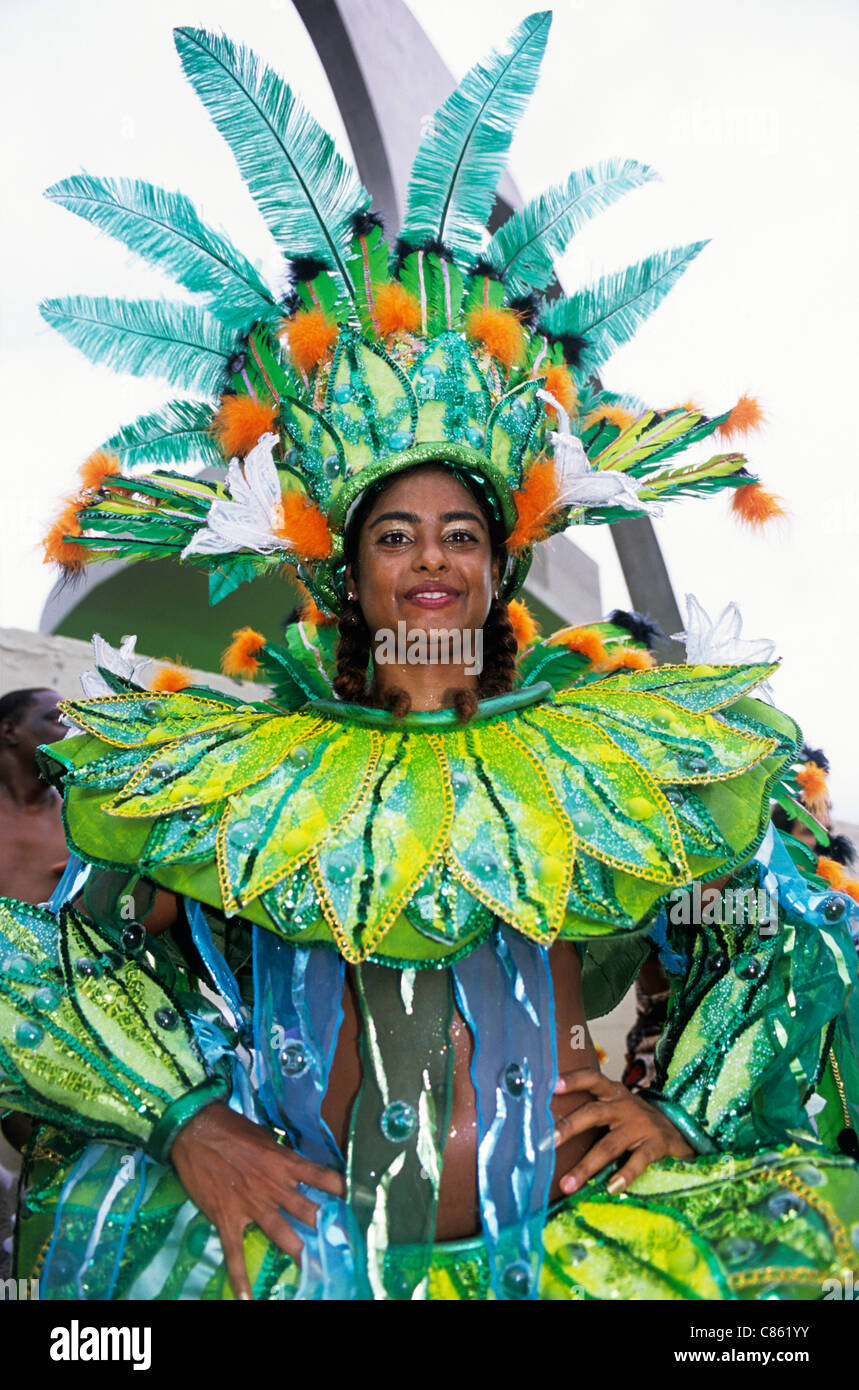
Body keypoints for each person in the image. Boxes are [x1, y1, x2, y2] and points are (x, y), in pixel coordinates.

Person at [2, 15, 858, 1301]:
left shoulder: (607, 756)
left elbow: (795, 923)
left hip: (557, 1269)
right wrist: (181, 1117)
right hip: (299, 1272)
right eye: (395, 533)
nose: (432, 557)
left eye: (461, 529)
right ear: (347, 571)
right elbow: (35, 957)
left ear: (501, 564)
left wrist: (689, 1110)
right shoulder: (233, 775)